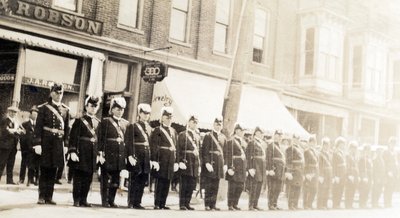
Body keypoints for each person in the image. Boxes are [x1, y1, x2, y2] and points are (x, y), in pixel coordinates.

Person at [33, 83, 70, 205]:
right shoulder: (43, 108)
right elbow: (38, 127)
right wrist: (37, 143)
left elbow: (67, 130)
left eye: (61, 93)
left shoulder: (65, 110)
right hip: (46, 143)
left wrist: (66, 145)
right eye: (56, 92)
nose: (59, 95)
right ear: (51, 93)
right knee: (44, 170)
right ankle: (41, 196)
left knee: (53, 171)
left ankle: (49, 196)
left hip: (58, 144)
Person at [68, 96, 101, 207]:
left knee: (88, 177)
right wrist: (72, 151)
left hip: (92, 153)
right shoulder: (79, 121)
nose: (93, 108)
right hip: (81, 152)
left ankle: (84, 199)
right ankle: (76, 199)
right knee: (78, 177)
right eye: (91, 106)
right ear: (86, 106)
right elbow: (73, 137)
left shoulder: (98, 122)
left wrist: (99, 153)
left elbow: (99, 140)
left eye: (95, 106)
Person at [98, 96, 129, 208]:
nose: (120, 111)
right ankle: (104, 201)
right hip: (108, 154)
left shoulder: (126, 124)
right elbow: (101, 138)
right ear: (112, 109)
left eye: (122, 109)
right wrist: (100, 153)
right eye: (117, 109)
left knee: (115, 180)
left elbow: (127, 141)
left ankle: (111, 200)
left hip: (119, 155)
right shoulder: (105, 122)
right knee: (105, 180)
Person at [149, 106, 178, 210]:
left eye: (170, 117)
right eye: (167, 117)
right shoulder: (157, 130)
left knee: (167, 182)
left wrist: (176, 162)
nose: (169, 119)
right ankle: (157, 203)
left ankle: (163, 203)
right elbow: (154, 146)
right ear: (162, 118)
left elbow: (176, 147)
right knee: (160, 182)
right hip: (161, 159)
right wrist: (155, 160)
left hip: (170, 160)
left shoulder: (174, 131)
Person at [125, 103, 152, 209]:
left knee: (142, 180)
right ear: (139, 113)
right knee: (134, 179)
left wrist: (151, 159)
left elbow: (151, 145)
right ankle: (131, 202)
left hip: (146, 157)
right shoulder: (133, 126)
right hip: (137, 156)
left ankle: (138, 202)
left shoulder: (149, 128)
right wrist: (130, 155)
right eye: (144, 113)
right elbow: (129, 142)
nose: (146, 115)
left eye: (148, 114)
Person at [201, 116, 226, 211]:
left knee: (216, 185)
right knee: (209, 185)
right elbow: (205, 151)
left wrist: (225, 164)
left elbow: (225, 152)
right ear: (213, 124)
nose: (218, 126)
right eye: (217, 124)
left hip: (219, 164)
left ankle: (213, 204)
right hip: (211, 163)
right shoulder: (208, 135)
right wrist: (207, 163)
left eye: (220, 124)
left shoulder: (223, 137)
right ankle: (207, 204)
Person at [177, 115, 201, 210]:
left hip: (194, 163)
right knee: (184, 184)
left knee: (191, 184)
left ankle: (187, 203)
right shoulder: (183, 134)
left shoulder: (197, 136)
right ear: (188, 122)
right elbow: (178, 149)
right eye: (192, 122)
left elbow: (199, 151)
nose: (194, 124)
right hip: (186, 161)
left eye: (196, 122)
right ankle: (182, 203)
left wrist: (199, 164)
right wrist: (179, 161)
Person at [224, 123, 247, 211]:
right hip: (234, 166)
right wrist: (229, 167)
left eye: (242, 131)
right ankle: (230, 204)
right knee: (232, 187)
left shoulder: (244, 142)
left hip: (242, 167)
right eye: (240, 131)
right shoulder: (231, 141)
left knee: (240, 186)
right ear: (236, 131)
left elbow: (246, 156)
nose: (241, 132)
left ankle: (235, 204)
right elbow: (228, 155)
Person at [0, 106, 25, 184]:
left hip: (14, 146)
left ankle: (9, 180)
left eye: (15, 112)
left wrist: (18, 131)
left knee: (11, 164)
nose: (13, 113)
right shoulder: (4, 120)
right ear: (9, 112)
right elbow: (4, 131)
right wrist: (15, 131)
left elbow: (23, 130)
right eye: (12, 111)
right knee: (1, 163)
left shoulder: (16, 122)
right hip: (5, 145)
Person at [246, 126, 266, 211]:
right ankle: (251, 205)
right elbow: (248, 156)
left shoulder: (262, 143)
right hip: (255, 166)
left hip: (261, 166)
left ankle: (255, 204)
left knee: (259, 186)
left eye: (262, 133)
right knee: (253, 186)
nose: (262, 135)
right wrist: (249, 168)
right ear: (257, 133)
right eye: (260, 133)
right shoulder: (252, 142)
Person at [20, 106, 39, 186]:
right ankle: (21, 179)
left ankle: (32, 179)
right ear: (30, 115)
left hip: (35, 148)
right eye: (34, 114)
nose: (35, 116)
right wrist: (25, 147)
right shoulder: (25, 124)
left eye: (36, 114)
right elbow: (22, 136)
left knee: (34, 164)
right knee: (24, 163)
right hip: (26, 148)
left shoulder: (38, 125)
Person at [266, 129, 285, 210]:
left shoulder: (281, 146)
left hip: (280, 170)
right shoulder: (271, 145)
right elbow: (268, 158)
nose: (279, 138)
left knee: (278, 188)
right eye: (277, 136)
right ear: (274, 136)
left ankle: (275, 203)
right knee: (272, 188)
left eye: (280, 136)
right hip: (274, 169)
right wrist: (269, 169)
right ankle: (270, 204)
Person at [285, 134, 304, 210]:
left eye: (298, 139)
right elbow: (288, 161)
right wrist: (288, 172)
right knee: (292, 188)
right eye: (295, 139)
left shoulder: (300, 148)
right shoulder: (290, 148)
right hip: (293, 170)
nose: (297, 140)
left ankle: (295, 204)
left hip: (299, 171)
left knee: (298, 188)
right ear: (292, 139)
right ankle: (291, 205)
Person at [303, 135, 319, 209]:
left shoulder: (315, 151)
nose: (313, 144)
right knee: (307, 188)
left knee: (314, 188)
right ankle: (305, 204)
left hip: (315, 171)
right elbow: (305, 163)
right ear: (309, 143)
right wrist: (306, 173)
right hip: (309, 170)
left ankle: (310, 204)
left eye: (314, 142)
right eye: (311, 142)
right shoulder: (306, 151)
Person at [317, 137, 332, 209]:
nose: (326, 147)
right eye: (325, 145)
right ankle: (320, 205)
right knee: (321, 189)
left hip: (328, 174)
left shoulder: (328, 154)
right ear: (322, 145)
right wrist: (320, 175)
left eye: (328, 145)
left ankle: (324, 204)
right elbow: (319, 165)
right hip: (323, 174)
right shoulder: (320, 154)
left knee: (327, 189)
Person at [331, 137, 347, 209]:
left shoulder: (342, 152)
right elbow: (333, 165)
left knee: (341, 189)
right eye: (341, 144)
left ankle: (338, 204)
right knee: (336, 190)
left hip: (343, 174)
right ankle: (335, 204)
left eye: (343, 144)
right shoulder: (335, 152)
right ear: (338, 144)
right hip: (337, 174)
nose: (343, 146)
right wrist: (335, 176)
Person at [382, 137, 398, 208]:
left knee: (391, 188)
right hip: (387, 173)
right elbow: (384, 163)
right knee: (387, 188)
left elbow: (395, 163)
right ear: (389, 143)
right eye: (392, 143)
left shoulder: (395, 152)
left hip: (393, 173)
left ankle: (389, 202)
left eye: (394, 144)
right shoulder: (385, 152)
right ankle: (386, 203)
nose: (393, 145)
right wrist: (388, 171)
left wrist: (396, 172)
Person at [344, 140, 359, 209]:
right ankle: (347, 204)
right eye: (352, 148)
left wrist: (356, 175)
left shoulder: (355, 157)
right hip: (349, 175)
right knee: (348, 190)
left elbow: (356, 166)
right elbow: (347, 166)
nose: (354, 150)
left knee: (353, 190)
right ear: (350, 148)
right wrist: (349, 175)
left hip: (354, 175)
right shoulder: (347, 156)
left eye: (355, 148)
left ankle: (350, 203)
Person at [358, 144, 372, 208]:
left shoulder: (369, 159)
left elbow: (370, 168)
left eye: (369, 150)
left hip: (369, 176)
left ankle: (365, 203)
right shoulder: (362, 159)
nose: (368, 152)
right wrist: (363, 177)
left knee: (367, 190)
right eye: (366, 150)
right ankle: (361, 203)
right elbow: (360, 168)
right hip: (364, 177)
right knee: (363, 190)